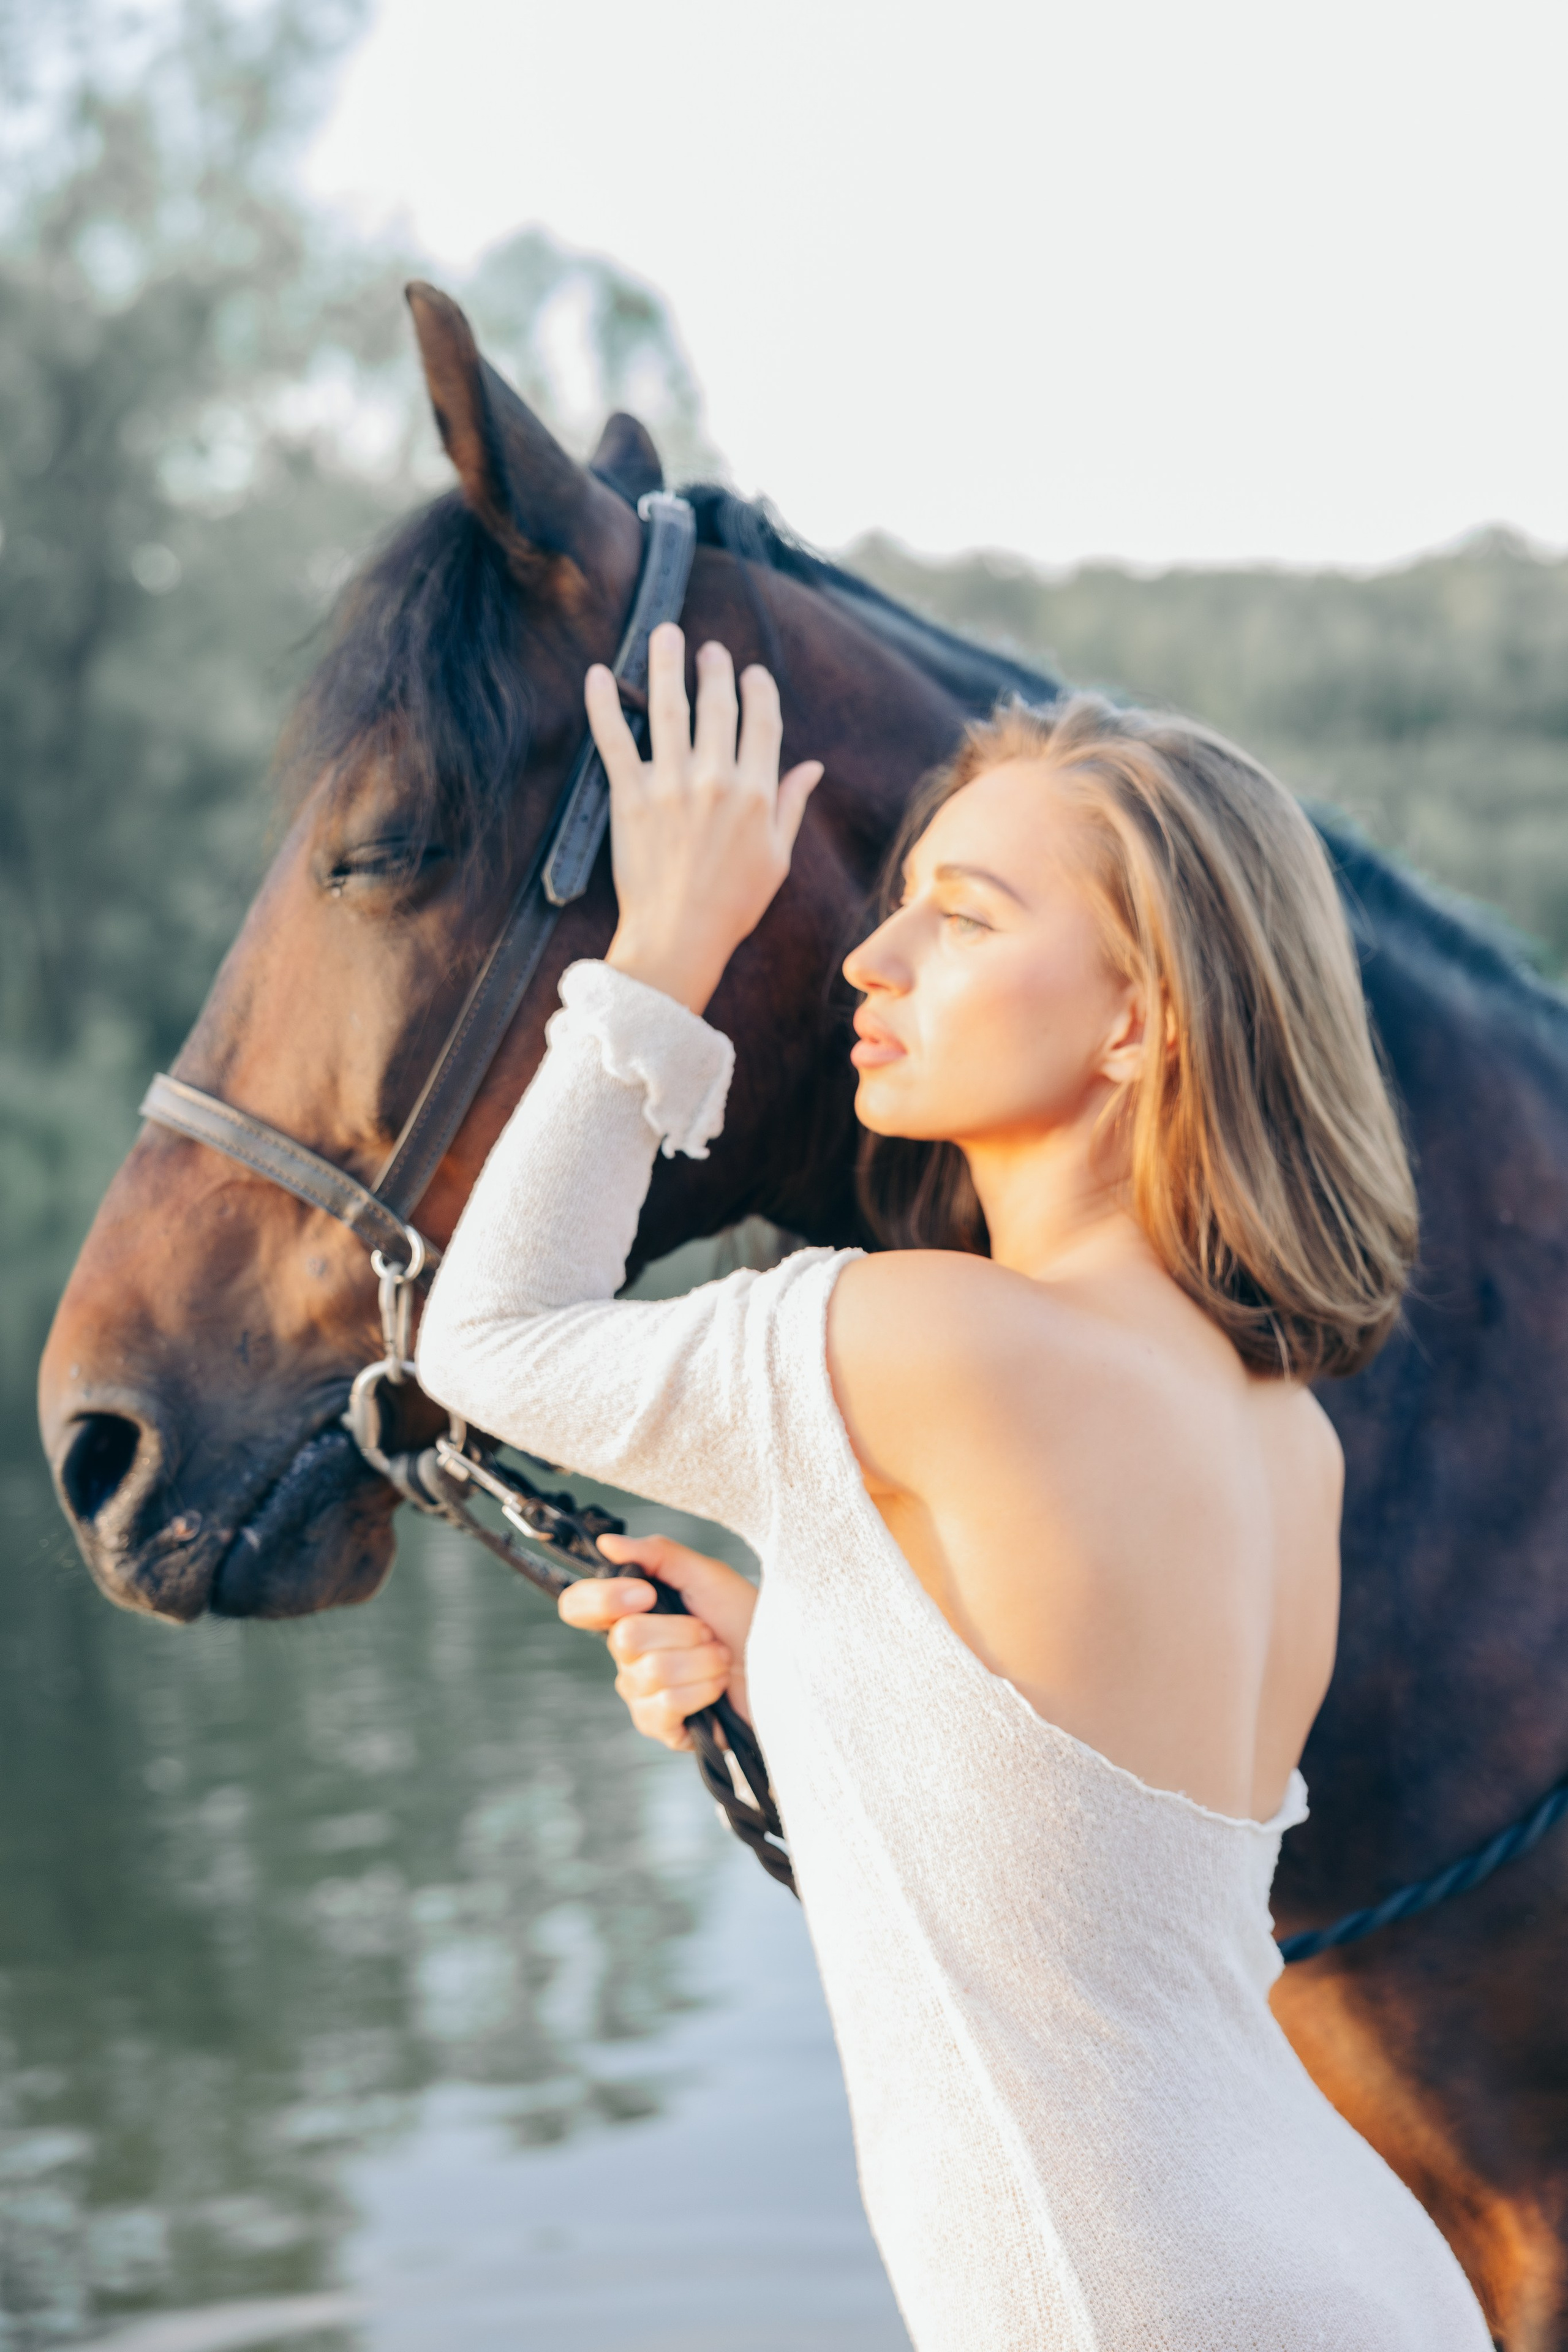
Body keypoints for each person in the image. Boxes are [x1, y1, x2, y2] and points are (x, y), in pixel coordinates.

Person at [416, 625, 1491, 2350]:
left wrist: (668, 941)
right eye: (901, 900)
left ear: (1142, 1017)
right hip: (1360, 2281)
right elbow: (1090, 1925)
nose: (873, 959)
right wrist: (807, 1669)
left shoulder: (930, 1343)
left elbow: (492, 1337)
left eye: (968, 920)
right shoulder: (1282, 1433)